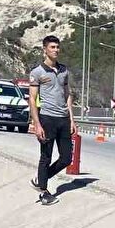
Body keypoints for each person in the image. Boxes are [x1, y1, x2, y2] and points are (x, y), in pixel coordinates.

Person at [29, 35, 76, 205]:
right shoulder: (37, 72)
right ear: (45, 49)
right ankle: (44, 192)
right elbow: (32, 100)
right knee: (46, 157)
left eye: (57, 47)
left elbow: (67, 94)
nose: (56, 50)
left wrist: (71, 119)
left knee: (66, 158)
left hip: (63, 119)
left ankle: (41, 178)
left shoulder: (64, 70)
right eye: (52, 47)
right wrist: (37, 124)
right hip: (47, 118)